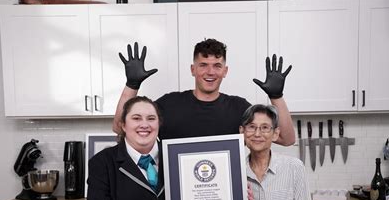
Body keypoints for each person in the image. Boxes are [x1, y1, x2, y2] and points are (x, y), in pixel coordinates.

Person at [113, 39, 295, 146]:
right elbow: (119, 127)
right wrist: (132, 85)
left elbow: (286, 139)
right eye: (203, 65)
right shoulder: (169, 104)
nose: (210, 72)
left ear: (225, 71)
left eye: (217, 66)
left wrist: (276, 97)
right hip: (174, 198)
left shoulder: (239, 108)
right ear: (193, 69)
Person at [240, 104, 314, 200]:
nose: (257, 134)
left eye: (265, 128)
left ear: (275, 134)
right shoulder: (235, 172)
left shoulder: (294, 167)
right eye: (251, 127)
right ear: (242, 132)